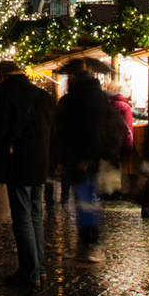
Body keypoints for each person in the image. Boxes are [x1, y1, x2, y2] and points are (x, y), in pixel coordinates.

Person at [0, 60, 53, 287]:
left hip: (19, 163)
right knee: (36, 215)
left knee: (23, 218)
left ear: (3, 76)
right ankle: (40, 269)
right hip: (40, 163)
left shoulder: (7, 96)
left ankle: (29, 272)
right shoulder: (42, 96)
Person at [56, 66, 111, 263]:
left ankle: (92, 244)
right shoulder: (83, 94)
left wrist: (89, 156)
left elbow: (91, 127)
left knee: (87, 201)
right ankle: (85, 243)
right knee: (82, 201)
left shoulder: (88, 96)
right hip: (78, 156)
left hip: (85, 158)